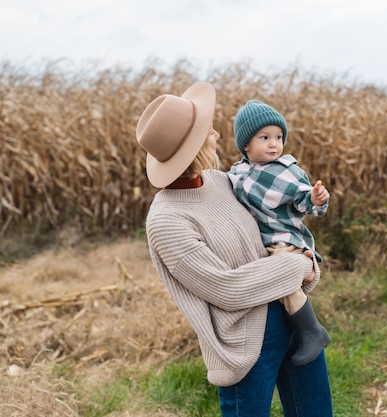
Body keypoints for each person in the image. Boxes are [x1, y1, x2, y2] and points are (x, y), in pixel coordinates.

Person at [135, 82, 333, 416]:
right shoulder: (167, 221)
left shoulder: (221, 182)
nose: (216, 133)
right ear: (195, 146)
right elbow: (228, 290)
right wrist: (300, 264)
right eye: (206, 130)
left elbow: (275, 225)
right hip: (244, 346)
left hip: (294, 319)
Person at [228, 99, 331, 366]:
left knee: (281, 275)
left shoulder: (287, 172)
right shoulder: (238, 171)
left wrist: (316, 198)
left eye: (278, 136)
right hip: (262, 244)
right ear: (246, 145)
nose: (274, 143)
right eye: (265, 137)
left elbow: (302, 199)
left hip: (285, 241)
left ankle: (311, 330)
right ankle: (298, 331)